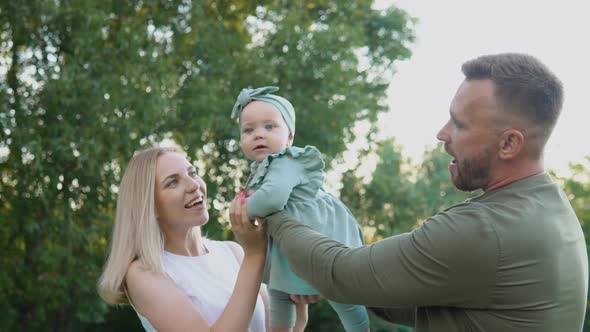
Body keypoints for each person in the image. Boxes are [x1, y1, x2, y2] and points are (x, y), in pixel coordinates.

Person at [230, 53, 588, 331]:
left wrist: (273, 210)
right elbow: (404, 298)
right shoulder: (550, 208)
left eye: (459, 124)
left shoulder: (485, 229)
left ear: (509, 143)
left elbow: (343, 271)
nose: (441, 133)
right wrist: (332, 280)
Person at [97, 145, 308, 331]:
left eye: (193, 173)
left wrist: (298, 296)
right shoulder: (144, 273)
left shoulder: (232, 252)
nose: (193, 185)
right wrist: (254, 254)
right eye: (172, 182)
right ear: (149, 206)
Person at [230, 86, 370, 332]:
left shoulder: (287, 161)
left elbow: (272, 198)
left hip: (322, 236)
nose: (258, 135)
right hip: (290, 247)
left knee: (342, 295)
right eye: (248, 130)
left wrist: (243, 208)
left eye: (270, 126)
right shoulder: (261, 171)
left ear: (290, 137)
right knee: (279, 294)